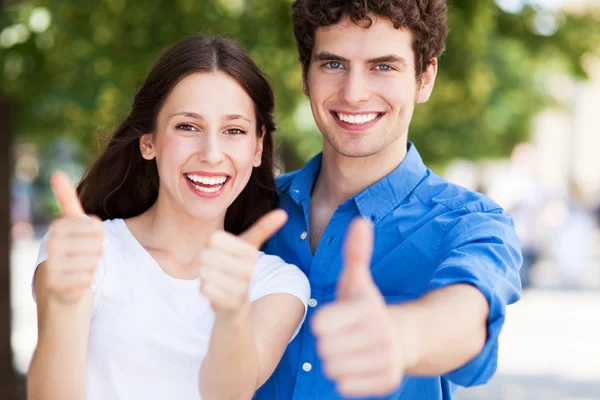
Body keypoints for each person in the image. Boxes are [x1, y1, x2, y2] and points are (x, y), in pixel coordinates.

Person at [254, 1, 522, 399]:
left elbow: (467, 317)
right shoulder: (248, 208)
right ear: (305, 76)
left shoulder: (471, 222)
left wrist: (402, 336)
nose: (354, 93)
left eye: (384, 66)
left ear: (425, 78)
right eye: (333, 64)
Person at [27, 35, 310, 400]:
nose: (211, 154)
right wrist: (64, 303)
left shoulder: (276, 283)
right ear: (149, 141)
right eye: (187, 127)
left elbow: (232, 391)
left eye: (234, 131)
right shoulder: (87, 253)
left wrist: (229, 314)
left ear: (257, 147)